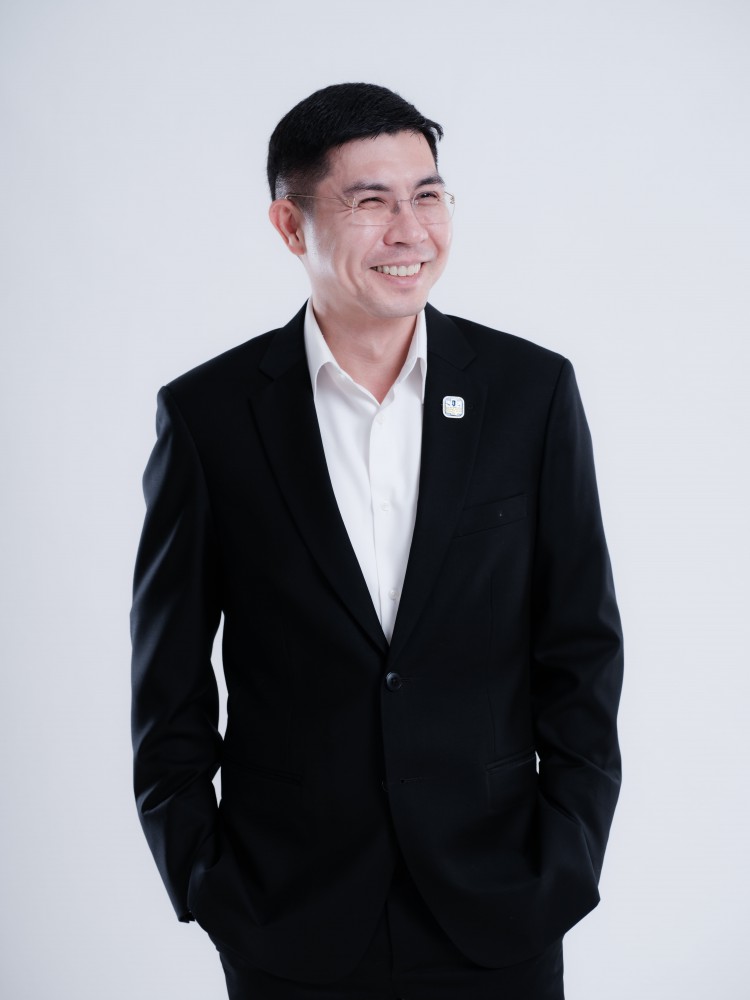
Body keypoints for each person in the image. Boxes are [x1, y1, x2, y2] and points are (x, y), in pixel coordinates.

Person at [131, 82, 623, 1000]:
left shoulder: (530, 392)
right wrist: (205, 879)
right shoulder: (210, 416)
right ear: (291, 224)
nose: (411, 231)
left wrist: (568, 855)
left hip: (499, 902)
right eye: (371, 201)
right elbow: (169, 685)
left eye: (427, 195)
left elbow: (582, 646)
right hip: (289, 915)